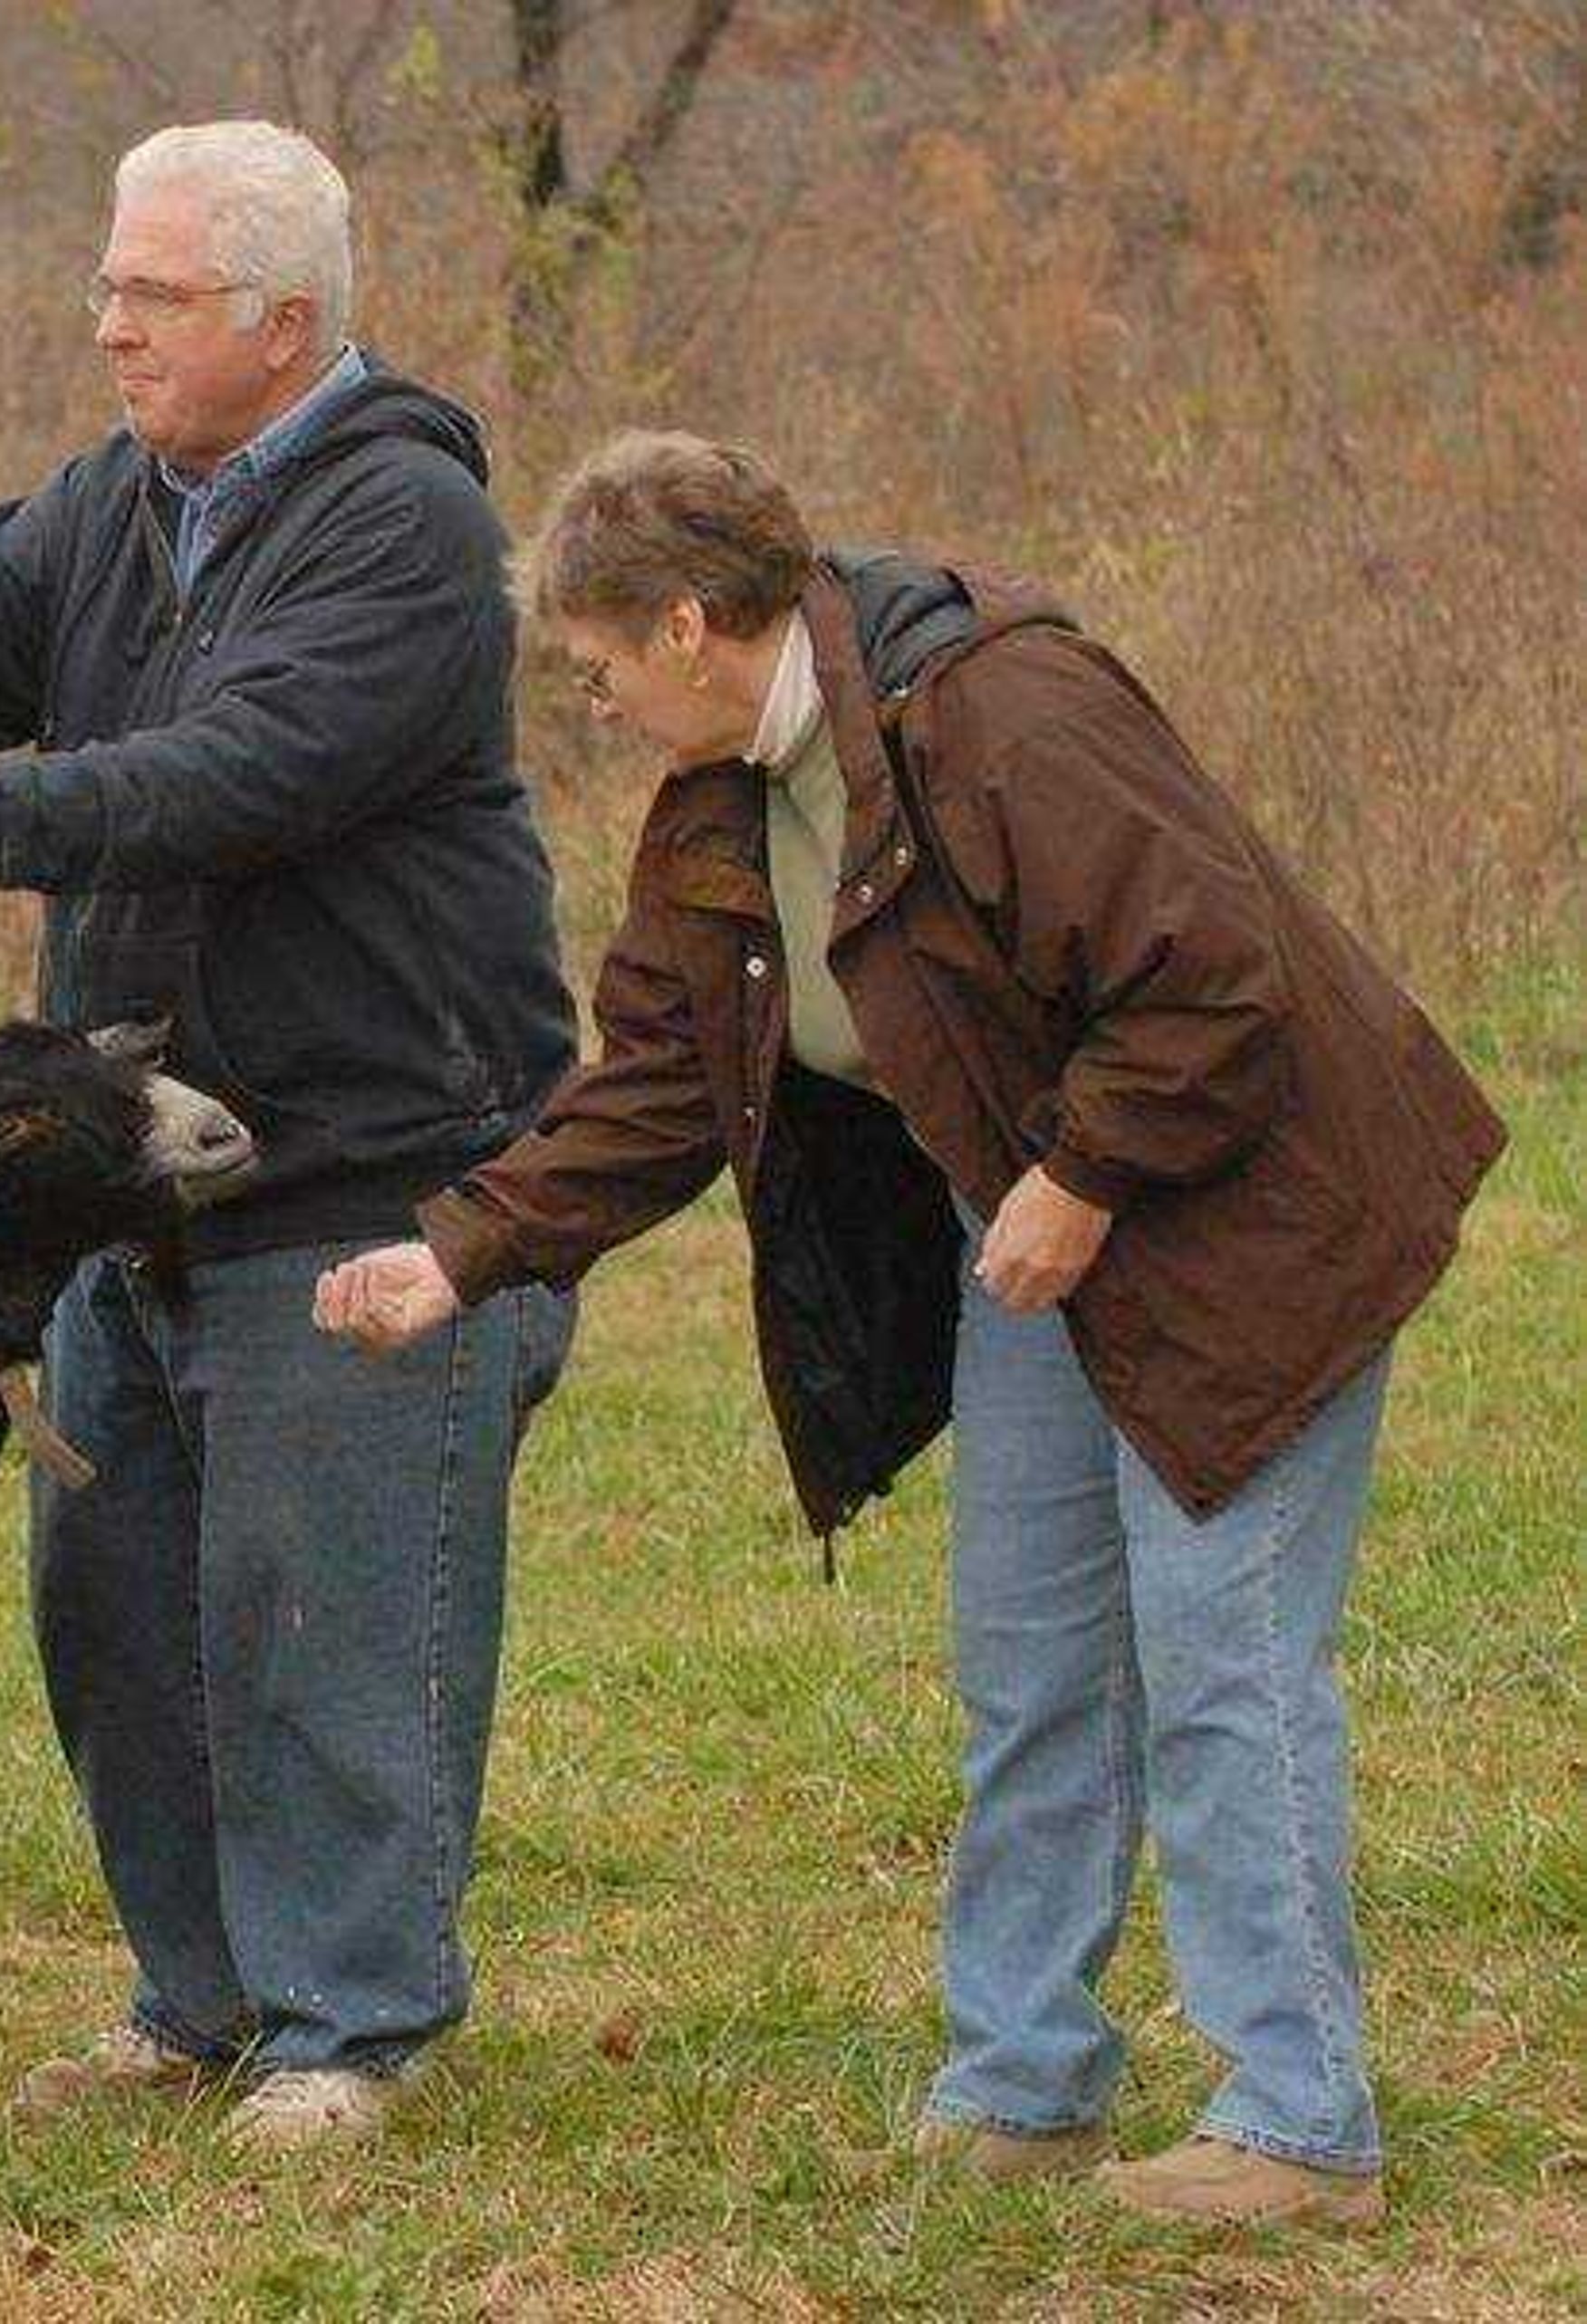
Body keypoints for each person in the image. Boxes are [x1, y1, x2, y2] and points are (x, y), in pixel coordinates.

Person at [316, 430, 1505, 2226]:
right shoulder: (727, 799)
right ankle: (1022, 2078)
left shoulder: (1005, 711)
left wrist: (1089, 1174)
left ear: (697, 624)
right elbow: (657, 1078)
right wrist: (464, 1253)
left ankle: (1300, 2119)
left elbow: (1219, 977)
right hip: (1029, 1230)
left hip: (1254, 1216)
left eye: (600, 666)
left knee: (1221, 1663)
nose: (596, 702)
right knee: (1033, 1662)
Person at [0, 120, 576, 2153]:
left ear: (285, 325)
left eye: (157, 295)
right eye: (110, 283)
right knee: (114, 1613)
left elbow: (243, 768)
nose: (109, 323)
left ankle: (348, 2024)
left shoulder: (404, 530)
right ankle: (197, 2003)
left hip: (365, 1164)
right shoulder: (134, 496)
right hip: (137, 1189)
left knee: (326, 1610)